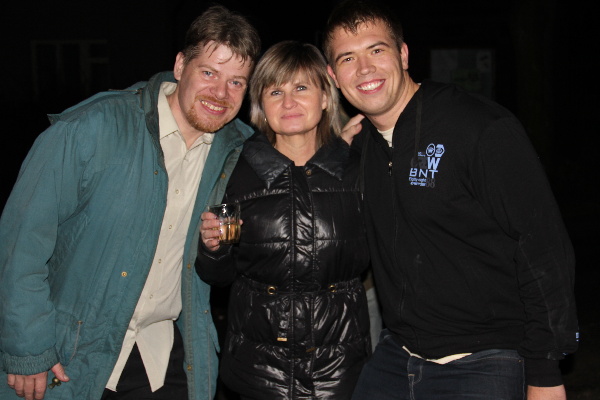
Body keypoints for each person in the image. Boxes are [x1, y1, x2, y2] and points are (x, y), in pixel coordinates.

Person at [0, 5, 260, 400]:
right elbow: (20, 243)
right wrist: (28, 347)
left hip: (166, 356)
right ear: (180, 66)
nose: (220, 93)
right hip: (70, 358)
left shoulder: (236, 150)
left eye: (236, 82)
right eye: (209, 73)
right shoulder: (92, 128)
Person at [322, 1, 579, 399]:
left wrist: (545, 372)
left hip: (486, 359)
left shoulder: (479, 127)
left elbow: (542, 249)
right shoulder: (361, 149)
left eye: (376, 50)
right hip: (396, 356)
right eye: (348, 58)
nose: (364, 69)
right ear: (333, 76)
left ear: (403, 54)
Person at [196, 40, 371, 399]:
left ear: (325, 97)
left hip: (340, 375)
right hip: (258, 376)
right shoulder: (235, 172)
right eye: (276, 91)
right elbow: (219, 277)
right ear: (261, 105)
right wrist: (213, 248)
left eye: (301, 88)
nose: (288, 103)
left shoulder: (360, 170)